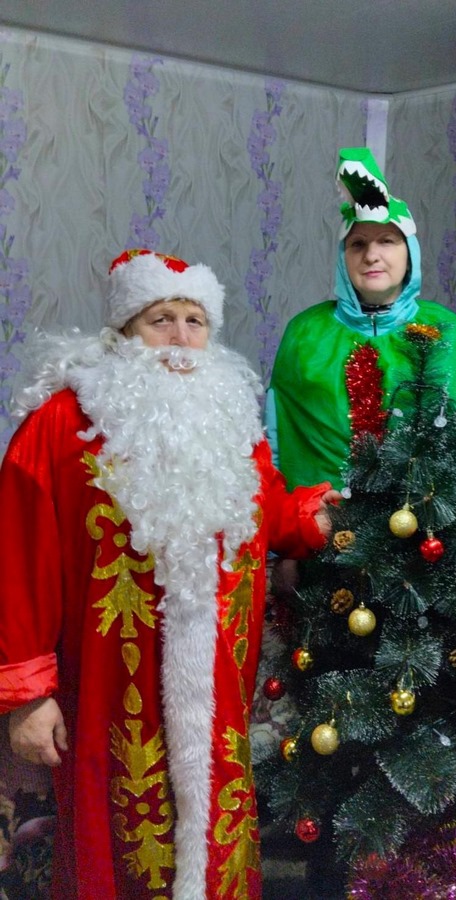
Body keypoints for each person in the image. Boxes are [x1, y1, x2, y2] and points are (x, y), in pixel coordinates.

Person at [0, 248, 339, 899]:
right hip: (107, 697)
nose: (181, 339)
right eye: (161, 320)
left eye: (194, 321)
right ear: (125, 330)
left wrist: (318, 517)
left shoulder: (233, 423)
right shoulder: (62, 426)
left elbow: (267, 510)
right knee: (111, 848)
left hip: (217, 694)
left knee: (215, 836)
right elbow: (18, 559)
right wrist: (28, 695)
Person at [264, 146, 456, 490]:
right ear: (343, 257)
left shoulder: (445, 331)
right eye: (358, 244)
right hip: (317, 518)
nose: (372, 255)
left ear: (409, 252)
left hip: (423, 517)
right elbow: (275, 445)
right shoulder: (304, 333)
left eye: (387, 240)